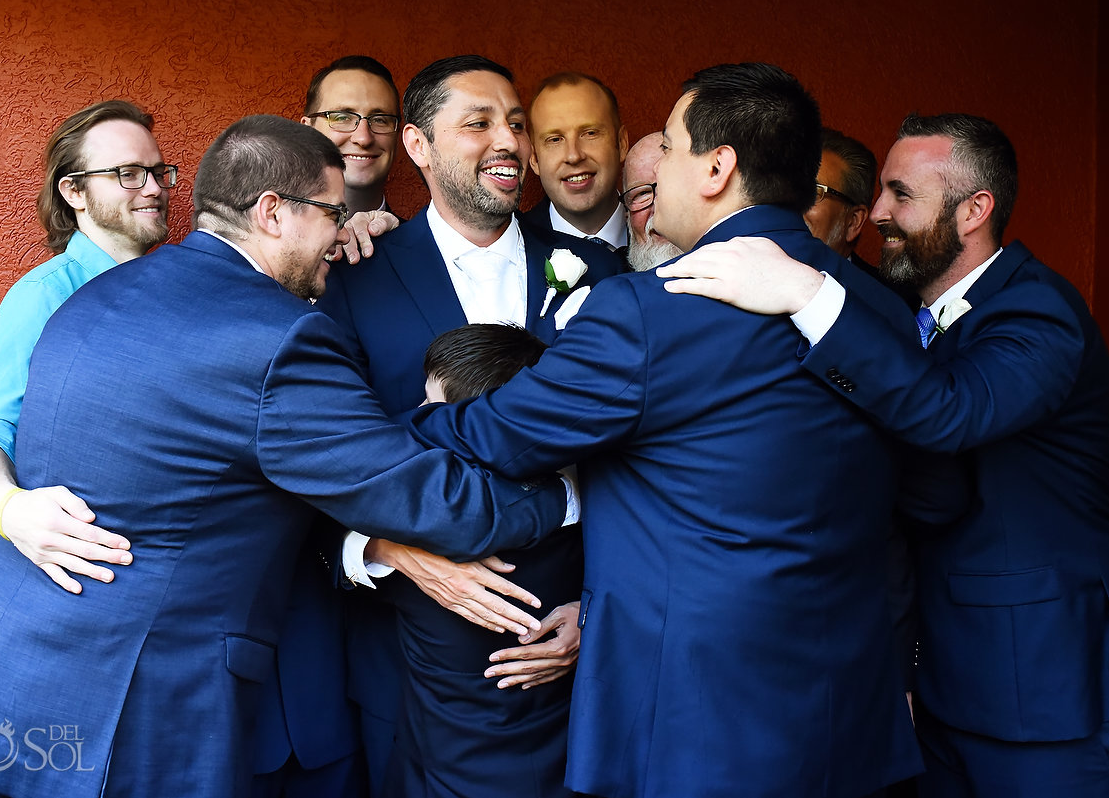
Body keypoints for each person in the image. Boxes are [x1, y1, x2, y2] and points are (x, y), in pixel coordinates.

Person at [0, 115, 568, 798]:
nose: (341, 233)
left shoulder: (97, 296)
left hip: (9, 688)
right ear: (273, 212)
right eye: (332, 213)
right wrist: (573, 491)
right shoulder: (278, 338)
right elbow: (431, 501)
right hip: (131, 717)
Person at [404, 62, 922, 798]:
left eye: (671, 148)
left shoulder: (647, 311)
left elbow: (498, 434)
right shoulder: (876, 310)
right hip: (851, 705)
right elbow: (930, 495)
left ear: (718, 167)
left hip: (698, 716)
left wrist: (416, 421)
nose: (656, 169)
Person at [656, 112, 1109, 797]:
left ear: (975, 210)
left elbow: (950, 412)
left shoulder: (1040, 311)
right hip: (942, 687)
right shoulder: (907, 315)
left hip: (1049, 693)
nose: (878, 212)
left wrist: (805, 290)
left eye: (901, 194)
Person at [316, 53, 620, 796]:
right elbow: (318, 452)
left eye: (515, 123)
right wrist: (388, 547)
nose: (510, 141)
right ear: (417, 146)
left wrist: (599, 608)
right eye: (478, 123)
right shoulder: (352, 274)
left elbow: (642, 460)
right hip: (409, 667)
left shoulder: (601, 276)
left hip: (574, 674)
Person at [249, 54, 408, 798]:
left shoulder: (406, 250)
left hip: (387, 586)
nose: (363, 132)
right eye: (343, 115)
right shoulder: (263, 246)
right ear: (306, 124)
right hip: (284, 572)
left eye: (379, 116)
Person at [0, 100, 173, 593]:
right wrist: (12, 510)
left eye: (158, 172)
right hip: (55, 582)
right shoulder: (43, 296)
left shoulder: (178, 292)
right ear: (73, 190)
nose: (154, 188)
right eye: (129, 173)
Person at [379, 323, 581, 798]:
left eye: (433, 407)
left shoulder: (437, 522)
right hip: (540, 756)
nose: (419, 416)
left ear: (477, 426)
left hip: (460, 767)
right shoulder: (579, 509)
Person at [522, 72, 628, 257]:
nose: (574, 156)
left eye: (590, 133)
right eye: (555, 139)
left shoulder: (666, 232)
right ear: (534, 158)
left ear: (622, 143)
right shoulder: (514, 246)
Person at [302, 55, 402, 216]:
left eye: (379, 120)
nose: (363, 138)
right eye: (342, 117)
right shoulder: (260, 236)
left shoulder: (426, 241)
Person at [619, 131, 682, 271]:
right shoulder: (610, 280)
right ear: (627, 214)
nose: (658, 208)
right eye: (642, 193)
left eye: (670, 187)